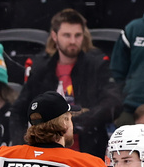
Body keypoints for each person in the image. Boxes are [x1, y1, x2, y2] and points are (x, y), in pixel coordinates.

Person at [11, 9, 121, 157]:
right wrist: (24, 147)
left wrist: (78, 123)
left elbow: (113, 102)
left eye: (78, 35)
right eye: (67, 35)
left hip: (88, 150)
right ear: (54, 36)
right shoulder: (41, 68)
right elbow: (18, 111)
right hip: (46, 153)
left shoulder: (97, 65)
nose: (73, 41)